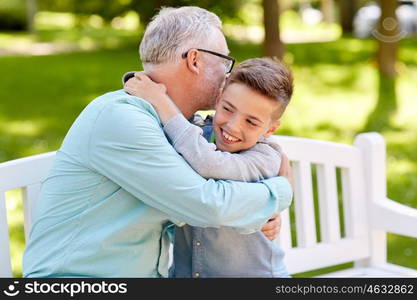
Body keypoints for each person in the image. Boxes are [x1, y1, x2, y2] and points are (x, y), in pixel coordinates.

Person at [22, 6, 292, 278]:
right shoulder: (122, 118)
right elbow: (205, 205)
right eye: (224, 60)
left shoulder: (174, 126)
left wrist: (257, 204)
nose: (226, 74)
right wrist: (278, 192)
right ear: (195, 60)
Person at [124, 57, 294, 277]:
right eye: (228, 108)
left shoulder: (267, 158)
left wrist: (160, 100)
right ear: (219, 97)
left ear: (270, 130)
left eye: (251, 122)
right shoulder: (198, 133)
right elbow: (142, 84)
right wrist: (146, 88)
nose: (232, 126)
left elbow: (207, 162)